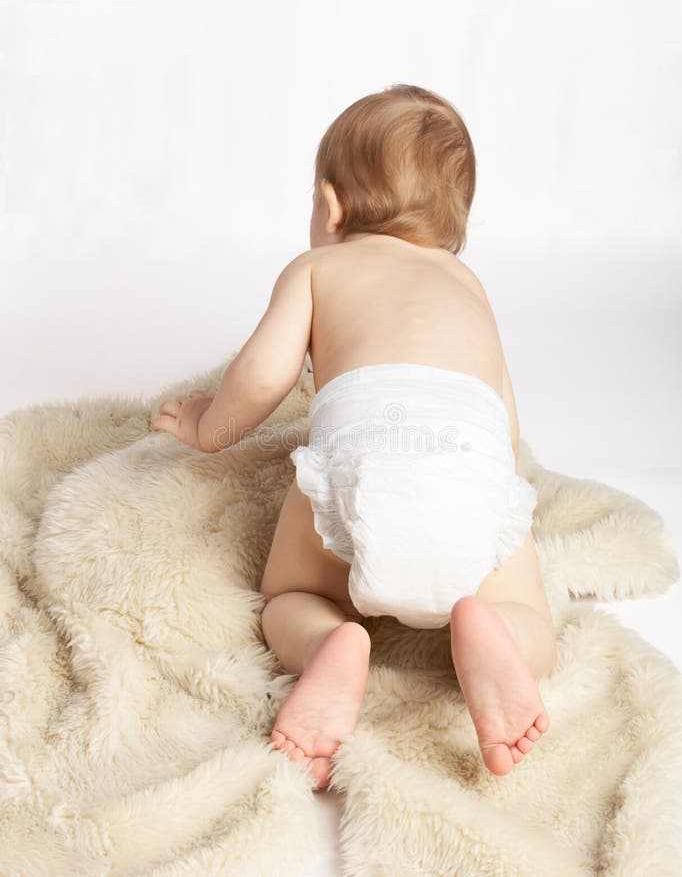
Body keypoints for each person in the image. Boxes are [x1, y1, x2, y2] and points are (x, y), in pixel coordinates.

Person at [152, 84, 557, 790]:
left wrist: (208, 427)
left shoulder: (317, 267)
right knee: (532, 621)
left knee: (286, 597)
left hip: (359, 464)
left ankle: (328, 644)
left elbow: (263, 376)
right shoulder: (468, 282)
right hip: (471, 477)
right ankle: (493, 635)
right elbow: (505, 424)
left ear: (330, 205)